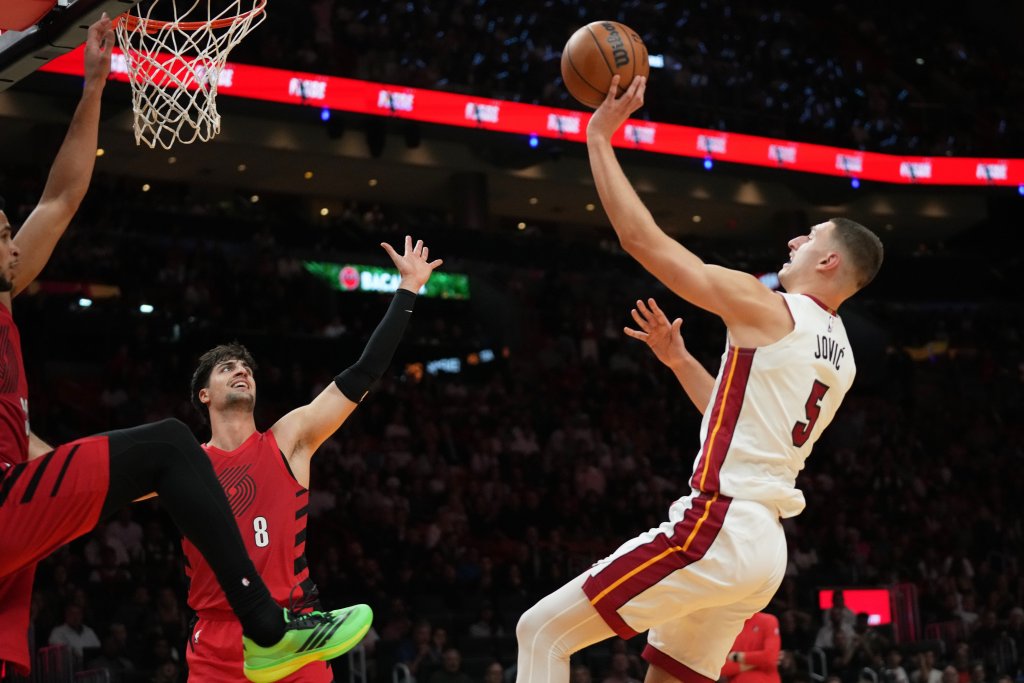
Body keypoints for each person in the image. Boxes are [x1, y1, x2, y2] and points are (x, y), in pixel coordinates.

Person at [0, 16, 370, 683]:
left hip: (15, 495)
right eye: (2, 234)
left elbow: (60, 197)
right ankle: (268, 629)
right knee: (172, 444)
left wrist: (92, 88)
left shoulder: (7, 295)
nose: (13, 243)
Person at [515, 74, 884, 683]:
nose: (794, 239)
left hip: (720, 526)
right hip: (764, 550)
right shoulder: (841, 352)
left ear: (828, 260)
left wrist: (599, 139)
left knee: (541, 632)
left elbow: (642, 241)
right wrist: (682, 361)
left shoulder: (769, 306)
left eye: (811, 236)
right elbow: (742, 420)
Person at [183, 236, 441, 681]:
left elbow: (363, 373)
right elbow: (105, 481)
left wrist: (408, 289)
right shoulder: (184, 464)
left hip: (294, 631)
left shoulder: (290, 439)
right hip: (217, 640)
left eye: (246, 368)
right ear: (203, 395)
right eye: (226, 368)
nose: (241, 370)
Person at [720, 612, 781, 683]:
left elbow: (770, 657)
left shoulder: (768, 620)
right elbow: (720, 668)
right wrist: (761, 661)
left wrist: (736, 656)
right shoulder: (725, 626)